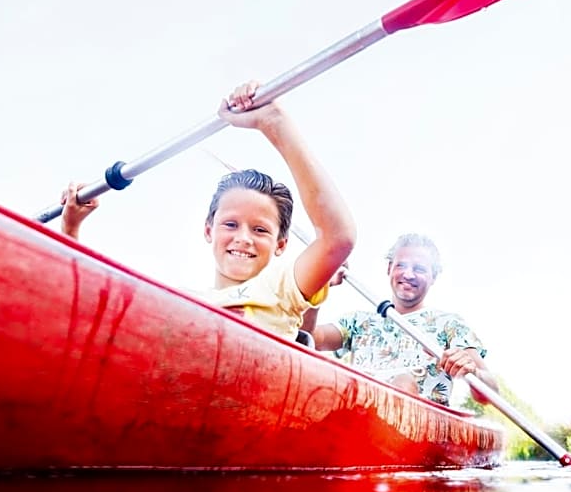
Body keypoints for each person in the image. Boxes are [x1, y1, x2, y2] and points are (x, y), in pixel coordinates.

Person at [60, 80, 356, 341]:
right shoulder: (180, 300)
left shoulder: (281, 288)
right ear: (207, 230)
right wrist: (71, 229)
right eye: (230, 224)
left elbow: (338, 237)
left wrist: (274, 123)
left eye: (260, 229)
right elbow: (85, 312)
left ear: (281, 244)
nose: (243, 238)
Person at [308, 234, 497, 406]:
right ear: (390, 268)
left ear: (433, 277)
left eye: (420, 269)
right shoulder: (359, 321)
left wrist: (472, 372)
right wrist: (318, 282)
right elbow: (309, 337)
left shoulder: (449, 325)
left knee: (403, 381)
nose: (408, 274)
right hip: (360, 415)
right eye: (401, 265)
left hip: (418, 431)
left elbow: (490, 394)